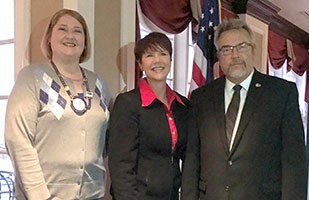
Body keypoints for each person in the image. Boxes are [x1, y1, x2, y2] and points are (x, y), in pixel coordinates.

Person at [181, 18, 307, 200]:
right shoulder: (202, 97)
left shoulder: (281, 94)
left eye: (241, 47)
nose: (235, 55)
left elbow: (294, 163)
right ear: (219, 56)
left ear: (253, 50)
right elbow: (192, 158)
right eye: (226, 49)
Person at [5, 9, 112, 200]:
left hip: (93, 195)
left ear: (85, 41)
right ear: (49, 38)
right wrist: (39, 195)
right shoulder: (32, 78)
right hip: (43, 195)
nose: (70, 36)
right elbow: (18, 139)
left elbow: (108, 141)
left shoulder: (99, 84)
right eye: (62, 29)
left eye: (78, 31)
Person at [107, 32, 189, 200]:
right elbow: (121, 166)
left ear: (170, 60)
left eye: (163, 54)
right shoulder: (128, 103)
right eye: (149, 55)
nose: (157, 60)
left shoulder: (183, 105)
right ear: (140, 63)